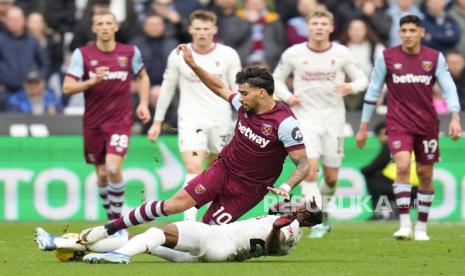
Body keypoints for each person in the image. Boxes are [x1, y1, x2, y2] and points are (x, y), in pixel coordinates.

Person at [77, 43, 310, 245]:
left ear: (261, 94)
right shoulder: (244, 104)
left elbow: (303, 165)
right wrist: (193, 64)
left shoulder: (285, 124)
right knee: (173, 205)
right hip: (224, 170)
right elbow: (219, 87)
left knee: (202, 236)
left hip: (248, 190)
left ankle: (134, 245)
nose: (239, 97)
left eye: (244, 93)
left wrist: (287, 187)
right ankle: (109, 230)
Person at [356, 15, 462, 241]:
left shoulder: (434, 57)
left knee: (425, 174)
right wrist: (363, 126)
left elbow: (449, 88)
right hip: (398, 123)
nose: (407, 34)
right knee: (402, 166)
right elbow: (373, 91)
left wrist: (455, 117)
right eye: (403, 30)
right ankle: (404, 225)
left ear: (422, 32)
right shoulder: (388, 57)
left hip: (427, 125)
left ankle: (422, 227)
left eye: (412, 30)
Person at [273, 8, 368, 238]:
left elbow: (363, 79)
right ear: (308, 27)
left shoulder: (341, 53)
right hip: (305, 119)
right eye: (314, 24)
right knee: (310, 173)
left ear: (331, 28)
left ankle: (322, 211)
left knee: (332, 179)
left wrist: (350, 87)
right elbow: (276, 79)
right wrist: (287, 96)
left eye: (323, 24)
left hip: (334, 120)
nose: (319, 28)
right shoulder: (293, 53)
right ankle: (316, 221)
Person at [147, 10, 241, 221]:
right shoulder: (179, 54)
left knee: (216, 172)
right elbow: (168, 87)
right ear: (190, 30)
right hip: (190, 119)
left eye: (206, 29)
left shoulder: (228, 55)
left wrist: (245, 116)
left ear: (214, 30)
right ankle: (189, 223)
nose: (201, 33)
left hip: (220, 120)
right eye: (197, 28)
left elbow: (237, 90)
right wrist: (157, 121)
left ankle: (214, 219)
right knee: (193, 167)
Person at [62, 11, 151, 220]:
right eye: (99, 23)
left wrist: (144, 104)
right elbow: (67, 88)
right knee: (102, 175)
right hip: (93, 123)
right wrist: (90, 82)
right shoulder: (82, 54)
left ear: (115, 27)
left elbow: (143, 77)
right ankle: (111, 217)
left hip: (120, 121)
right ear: (94, 28)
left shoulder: (130, 52)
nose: (104, 27)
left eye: (108, 23)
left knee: (112, 167)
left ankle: (115, 221)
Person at [35, 200, 322, 264]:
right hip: (214, 257)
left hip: (218, 239)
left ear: (305, 214)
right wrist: (276, 221)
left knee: (159, 230)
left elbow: (274, 246)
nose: (294, 201)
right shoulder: (287, 224)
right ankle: (62, 244)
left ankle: (119, 256)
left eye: (301, 203)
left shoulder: (290, 228)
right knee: (145, 240)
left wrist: (276, 227)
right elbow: (274, 246)